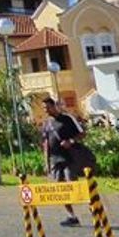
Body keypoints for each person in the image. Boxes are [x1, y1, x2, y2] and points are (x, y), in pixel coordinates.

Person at [41, 96, 87, 227]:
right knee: (61, 190)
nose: (46, 110)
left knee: (72, 186)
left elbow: (82, 133)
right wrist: (46, 163)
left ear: (54, 106)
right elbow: (46, 144)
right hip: (55, 160)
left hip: (69, 158)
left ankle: (92, 205)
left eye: (48, 107)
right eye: (44, 108)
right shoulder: (47, 124)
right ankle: (71, 216)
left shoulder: (67, 119)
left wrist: (71, 141)